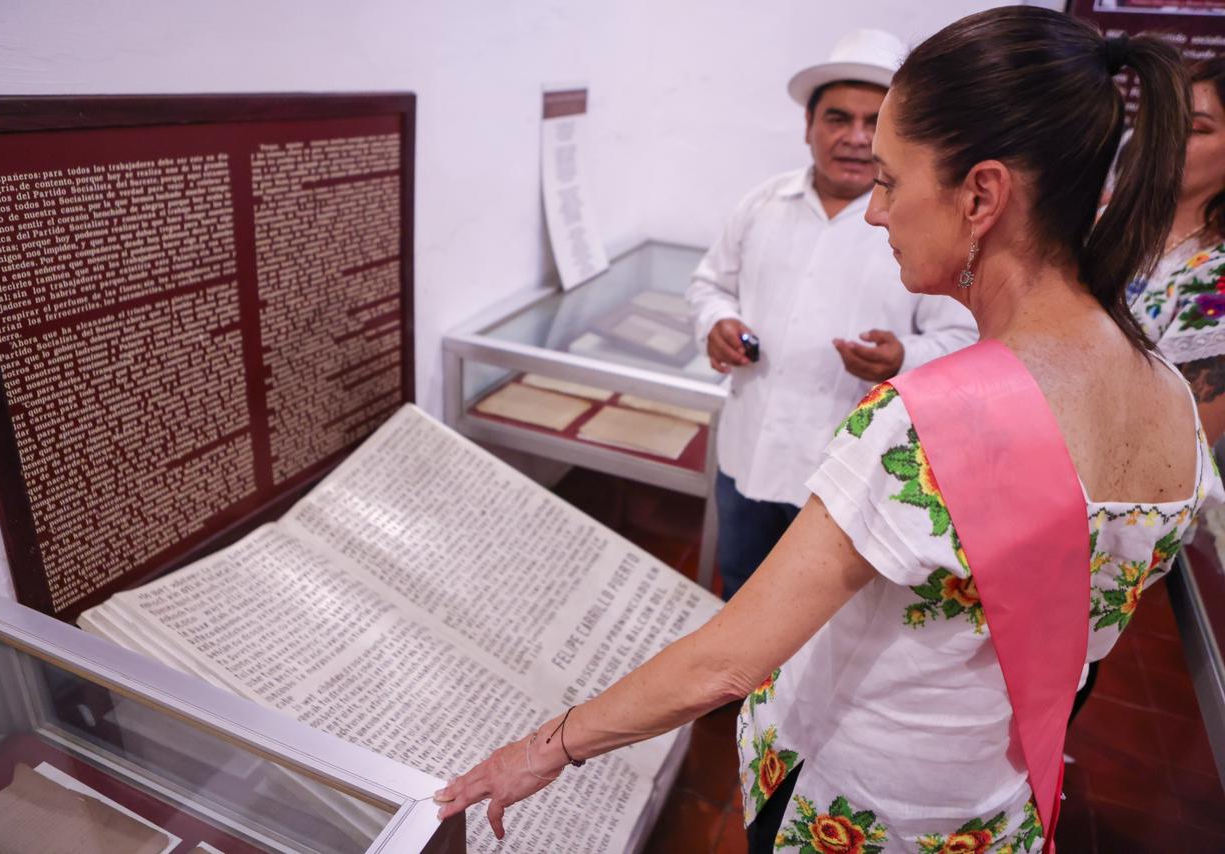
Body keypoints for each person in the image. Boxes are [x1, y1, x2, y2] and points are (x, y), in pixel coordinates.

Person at [436, 8, 1219, 853]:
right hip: (993, 807)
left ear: (982, 194)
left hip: (859, 808)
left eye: (890, 179)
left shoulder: (927, 422)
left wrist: (541, 750)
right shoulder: (1174, 398)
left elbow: (725, 662)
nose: (876, 211)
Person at [686, 28, 977, 600]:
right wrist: (715, 323)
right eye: (837, 119)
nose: (854, 138)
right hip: (748, 452)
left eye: (874, 124)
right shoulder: (763, 204)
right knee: (740, 586)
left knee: (819, 621)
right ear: (808, 125)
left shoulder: (926, 223)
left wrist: (905, 356)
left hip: (849, 475)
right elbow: (709, 285)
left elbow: (964, 338)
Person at [1128, 56, 1225, 442]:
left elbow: (1185, 440)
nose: (1171, 137)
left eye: (1196, 129)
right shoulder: (1098, 222)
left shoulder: (1216, 272)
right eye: (1166, 122)